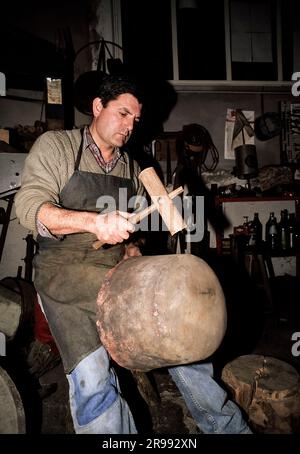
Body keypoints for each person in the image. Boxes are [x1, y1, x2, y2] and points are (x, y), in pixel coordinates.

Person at [15, 74, 251, 434]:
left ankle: (228, 427)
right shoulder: (58, 146)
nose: (129, 126)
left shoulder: (132, 168)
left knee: (181, 337)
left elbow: (132, 232)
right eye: (122, 114)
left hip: (113, 269)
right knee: (94, 379)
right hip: (63, 271)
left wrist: (132, 247)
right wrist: (95, 222)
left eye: (135, 120)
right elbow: (30, 207)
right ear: (98, 107)